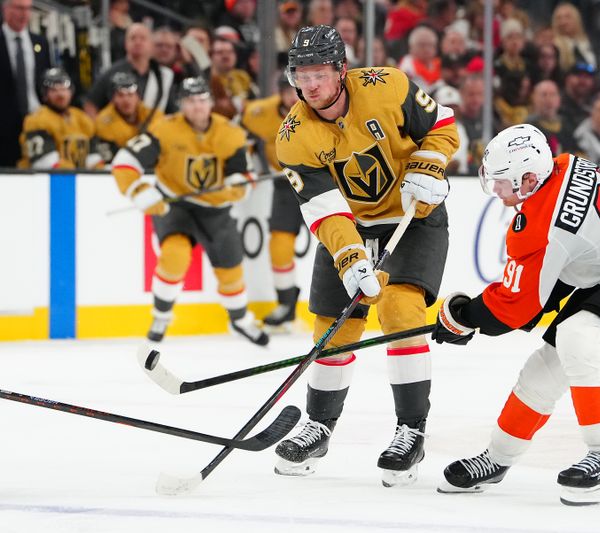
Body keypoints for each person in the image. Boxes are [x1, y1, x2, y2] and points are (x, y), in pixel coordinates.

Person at [432, 124, 600, 506]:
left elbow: (515, 305)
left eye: (503, 182)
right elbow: (552, 278)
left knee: (579, 336)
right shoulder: (562, 166)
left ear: (528, 178)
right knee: (547, 364)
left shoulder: (544, 221)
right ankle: (498, 458)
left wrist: (464, 316)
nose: (496, 190)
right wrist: (478, 315)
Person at [273, 25, 458, 487]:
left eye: (318, 73)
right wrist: (352, 260)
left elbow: (442, 125)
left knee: (400, 311)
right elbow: (325, 212)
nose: (309, 85)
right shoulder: (293, 136)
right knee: (333, 327)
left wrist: (429, 165)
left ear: (341, 69)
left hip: (412, 217)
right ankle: (318, 426)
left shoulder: (388, 86)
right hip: (350, 226)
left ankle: (410, 431)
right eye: (301, 74)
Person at [110, 77, 268, 346]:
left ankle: (240, 319)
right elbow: (125, 161)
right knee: (174, 255)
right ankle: (161, 314)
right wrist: (138, 191)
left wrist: (238, 185)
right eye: (191, 101)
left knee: (230, 267)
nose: (198, 107)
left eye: (203, 100)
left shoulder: (230, 133)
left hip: (216, 209)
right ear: (182, 105)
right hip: (175, 203)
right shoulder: (164, 130)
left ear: (210, 103)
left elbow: (244, 174)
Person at [241, 78, 302, 328]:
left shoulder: (324, 108)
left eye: (296, 91)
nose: (293, 98)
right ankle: (286, 304)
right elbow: (240, 139)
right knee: (279, 244)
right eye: (288, 92)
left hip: (325, 183)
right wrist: (245, 167)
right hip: (285, 184)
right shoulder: (260, 112)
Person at [0, 0, 51, 167]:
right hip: (5, 125)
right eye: (19, 8)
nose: (24, 14)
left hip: (36, 121)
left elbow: (46, 82)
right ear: (5, 9)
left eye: (28, 9)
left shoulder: (40, 43)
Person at [18, 68, 101, 169]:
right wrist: (76, 174)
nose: (60, 95)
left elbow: (94, 156)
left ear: (71, 92)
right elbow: (44, 162)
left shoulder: (82, 118)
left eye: (64, 89)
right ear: (45, 95)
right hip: (43, 180)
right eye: (54, 90)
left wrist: (99, 170)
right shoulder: (36, 120)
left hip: (78, 178)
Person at [95, 71, 163, 165]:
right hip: (117, 167)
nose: (126, 100)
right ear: (112, 98)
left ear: (138, 96)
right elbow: (113, 158)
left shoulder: (152, 115)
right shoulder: (104, 121)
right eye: (120, 95)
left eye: (131, 95)